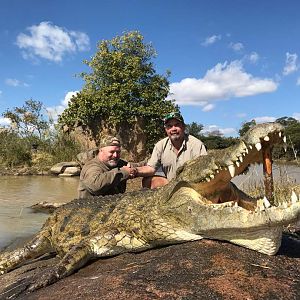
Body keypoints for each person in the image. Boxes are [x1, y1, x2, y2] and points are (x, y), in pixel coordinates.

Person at [136, 111, 207, 189]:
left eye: (177, 125)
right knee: (149, 181)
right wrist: (135, 171)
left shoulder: (196, 144)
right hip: (170, 188)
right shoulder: (160, 145)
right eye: (169, 126)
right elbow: (151, 168)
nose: (173, 129)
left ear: (183, 127)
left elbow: (204, 168)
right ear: (166, 129)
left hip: (192, 187)